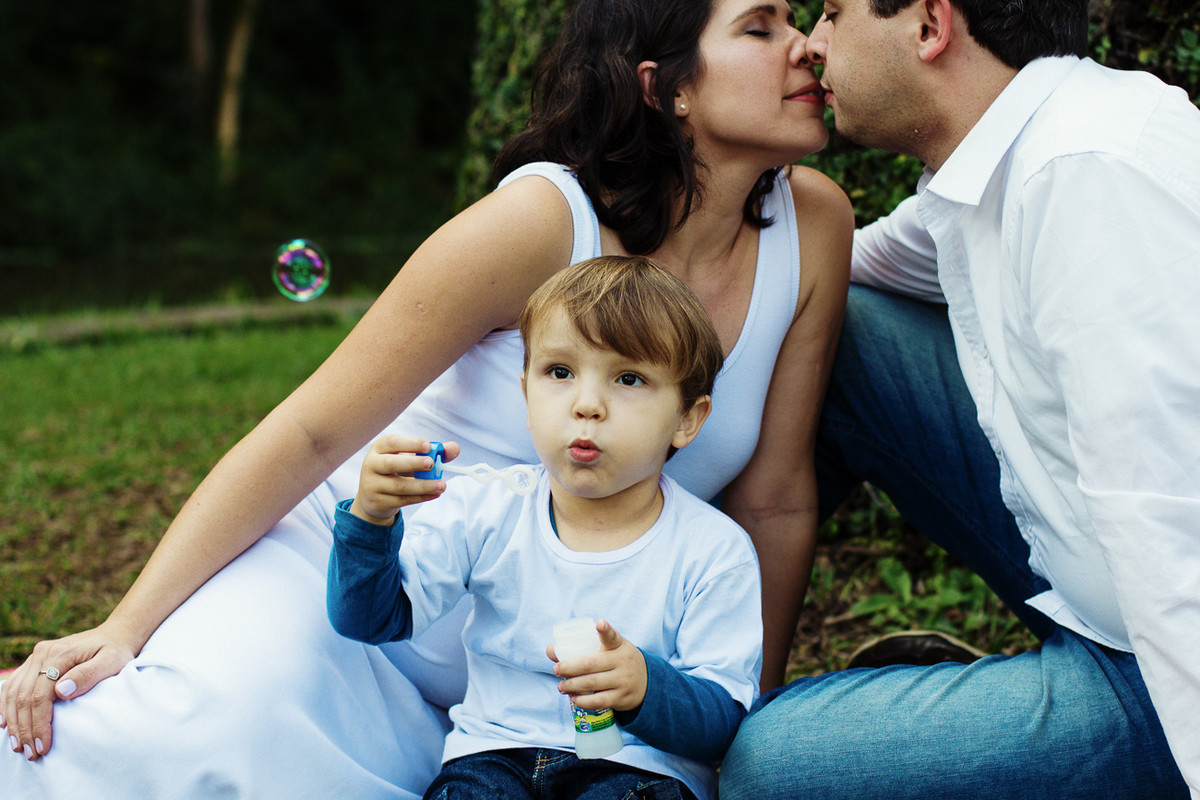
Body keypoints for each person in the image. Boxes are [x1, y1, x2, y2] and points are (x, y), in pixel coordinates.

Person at [1, 0, 852, 795]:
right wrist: (125, 626)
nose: (805, 43)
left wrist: (735, 730)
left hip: (543, 699)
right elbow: (310, 434)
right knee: (170, 750)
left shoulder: (815, 227)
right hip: (343, 612)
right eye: (760, 26)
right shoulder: (542, 221)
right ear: (663, 87)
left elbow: (774, 502)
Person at [719, 0, 1200, 798]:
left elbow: (1171, 523)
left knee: (769, 769)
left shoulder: (1084, 177)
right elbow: (842, 272)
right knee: (842, 328)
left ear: (929, 27)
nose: (814, 42)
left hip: (1160, 661)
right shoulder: (1002, 155)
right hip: (1085, 566)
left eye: (835, 12)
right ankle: (694, 676)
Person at [328, 256, 762, 800]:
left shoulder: (714, 551)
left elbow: (724, 727)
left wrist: (647, 688)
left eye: (629, 378)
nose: (586, 405)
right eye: (559, 373)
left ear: (686, 420)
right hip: (493, 760)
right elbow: (370, 619)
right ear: (526, 395)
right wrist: (371, 521)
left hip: (636, 772)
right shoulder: (485, 509)